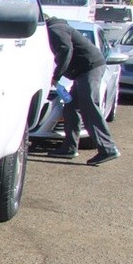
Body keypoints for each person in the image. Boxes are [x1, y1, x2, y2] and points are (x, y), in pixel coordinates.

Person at [45, 16, 120, 166]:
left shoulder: (54, 29)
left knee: (89, 107)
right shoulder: (58, 28)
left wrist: (57, 76)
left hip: (90, 68)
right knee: (71, 108)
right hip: (82, 71)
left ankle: (108, 148)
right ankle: (69, 148)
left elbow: (66, 49)